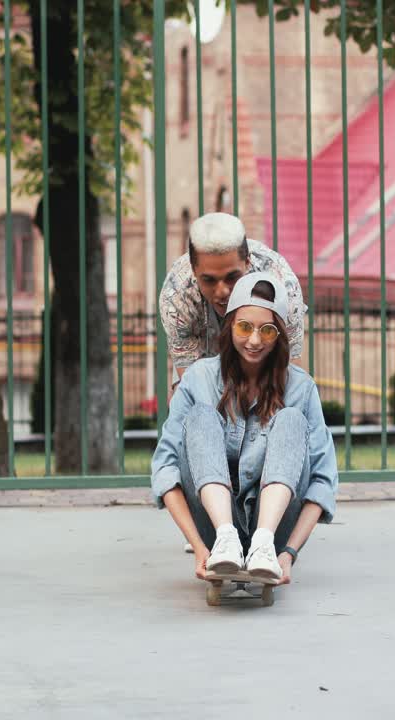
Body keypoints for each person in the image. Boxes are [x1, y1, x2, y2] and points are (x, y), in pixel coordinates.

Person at [150, 272, 338, 584]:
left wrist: (288, 553)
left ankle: (262, 543)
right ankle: (226, 538)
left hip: (276, 532)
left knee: (291, 418)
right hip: (212, 529)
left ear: (279, 335)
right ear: (229, 326)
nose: (254, 340)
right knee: (200, 416)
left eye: (266, 330)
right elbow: (165, 468)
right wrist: (199, 547)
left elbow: (322, 479)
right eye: (244, 327)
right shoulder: (198, 378)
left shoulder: (301, 388)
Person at [158, 212, 307, 389]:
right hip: (203, 348)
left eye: (232, 277)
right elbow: (191, 385)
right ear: (193, 271)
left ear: (247, 263)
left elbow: (290, 370)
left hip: (263, 353)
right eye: (209, 280)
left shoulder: (282, 287)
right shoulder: (176, 297)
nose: (222, 291)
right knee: (183, 403)